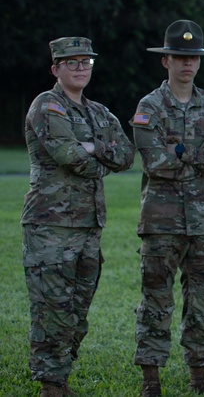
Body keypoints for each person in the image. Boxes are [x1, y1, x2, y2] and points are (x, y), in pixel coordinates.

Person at [22, 37, 135, 397]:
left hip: (89, 226)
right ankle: (51, 385)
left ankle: (61, 375)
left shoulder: (99, 112)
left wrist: (94, 147)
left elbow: (128, 155)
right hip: (50, 226)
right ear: (56, 69)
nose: (80, 68)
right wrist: (101, 156)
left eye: (86, 61)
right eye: (71, 62)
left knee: (78, 312)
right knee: (52, 309)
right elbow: (70, 156)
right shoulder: (47, 106)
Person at [131, 20, 204, 397]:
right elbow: (153, 161)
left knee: (203, 302)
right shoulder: (149, 106)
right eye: (180, 57)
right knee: (156, 302)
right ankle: (151, 379)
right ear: (167, 62)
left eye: (193, 57)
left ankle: (199, 375)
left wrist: (181, 150)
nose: (187, 64)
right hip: (161, 222)